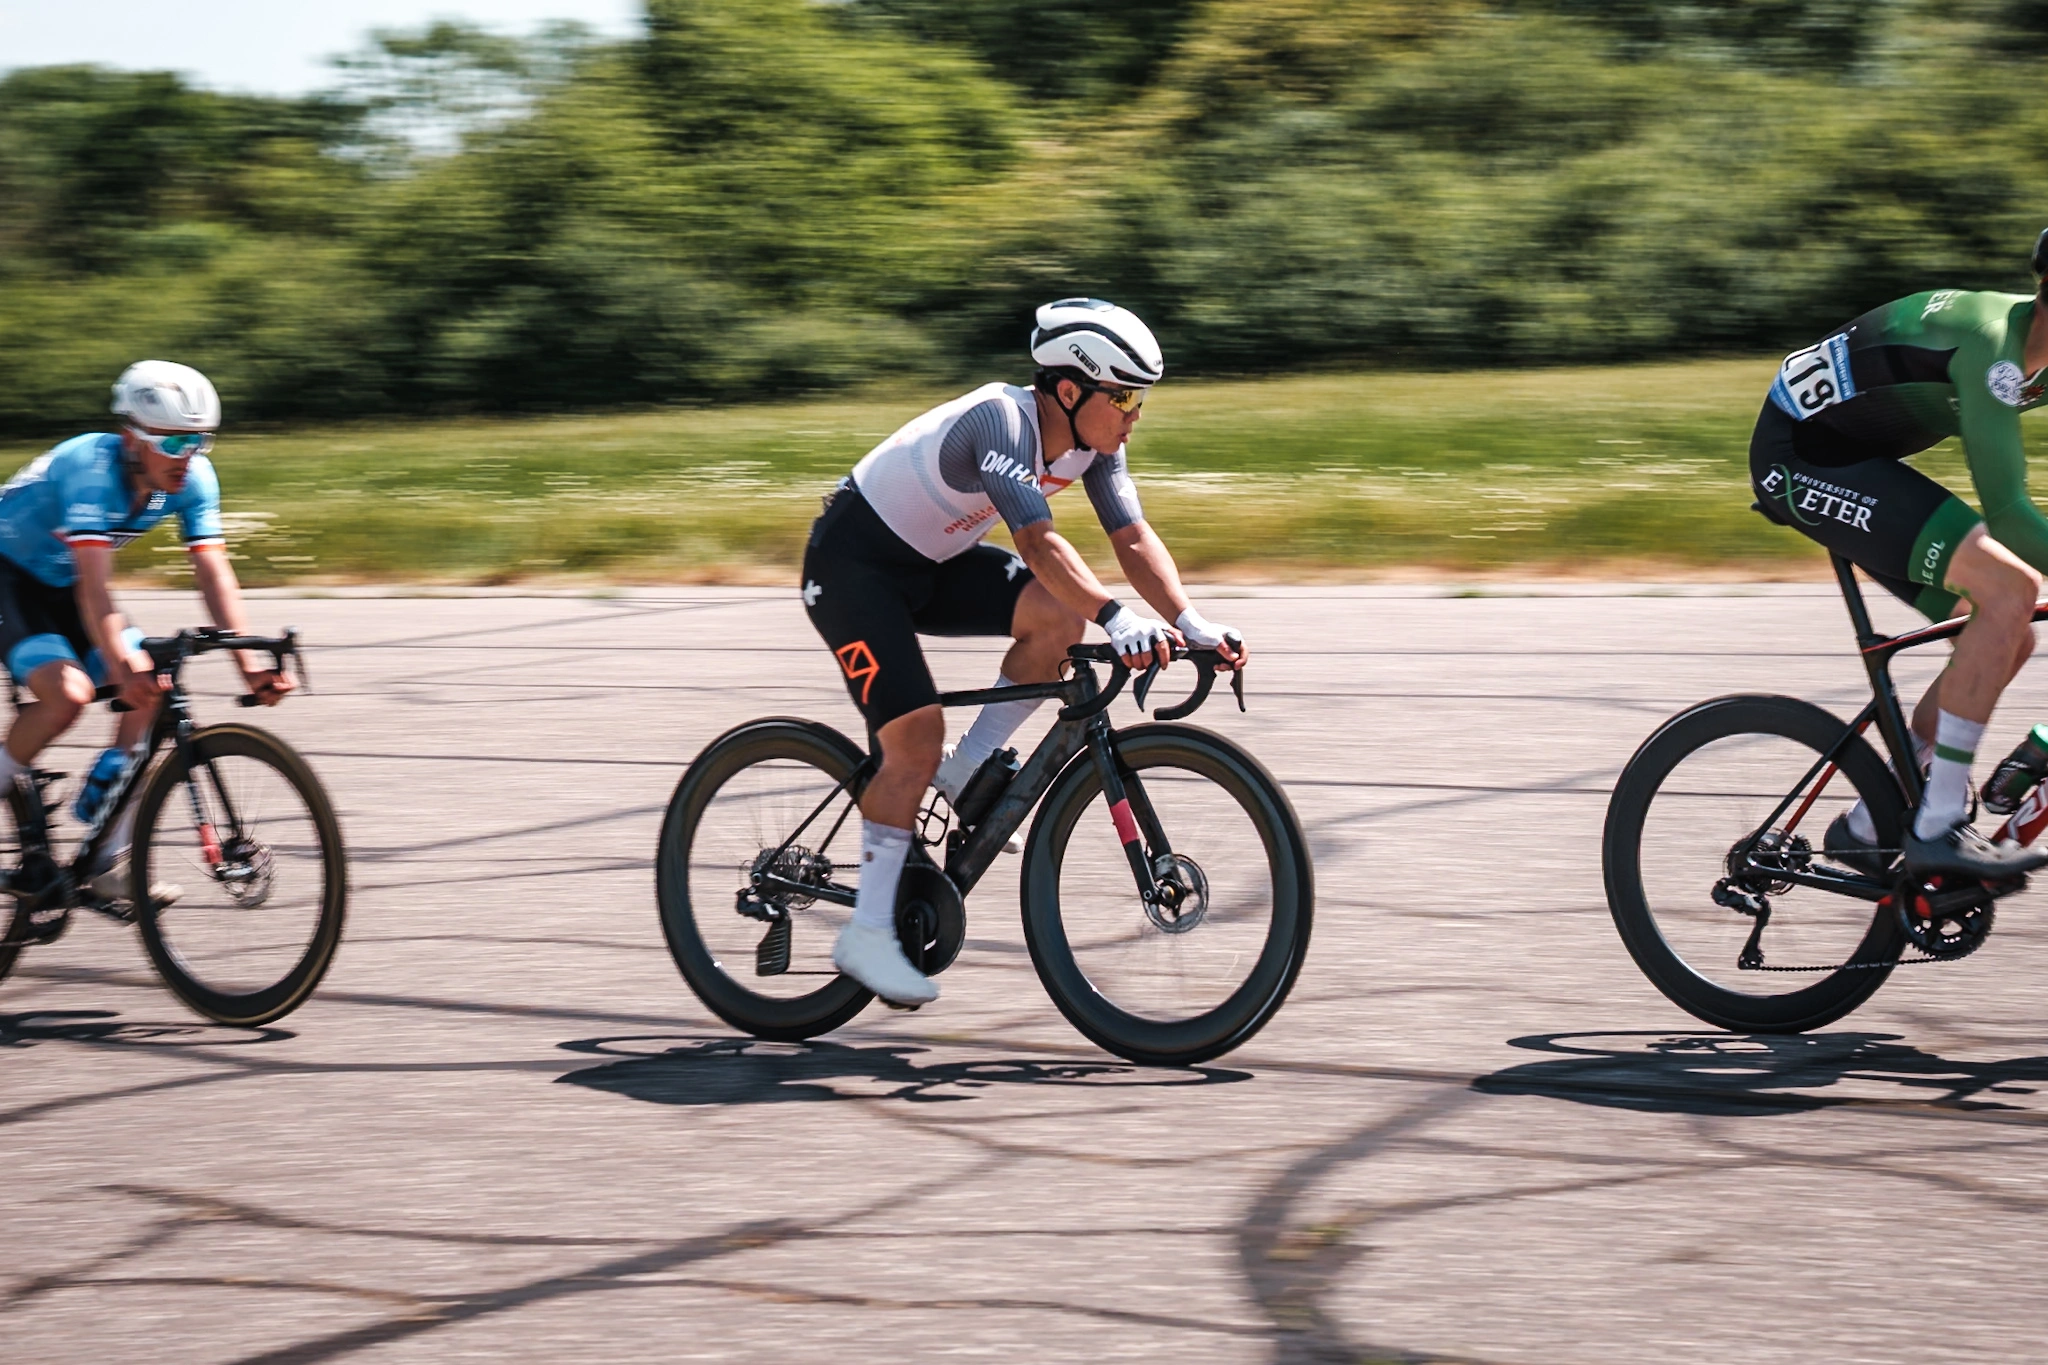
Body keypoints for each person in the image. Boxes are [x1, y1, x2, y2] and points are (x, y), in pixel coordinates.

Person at [801, 298, 1246, 1006]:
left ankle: (964, 774)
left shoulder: (1093, 442)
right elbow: (1038, 542)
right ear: (1070, 390)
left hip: (934, 562)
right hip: (856, 569)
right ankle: (867, 932)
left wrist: (1191, 621)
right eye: (1126, 395)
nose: (1136, 414)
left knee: (1056, 621)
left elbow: (1130, 537)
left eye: (1143, 397)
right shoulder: (1000, 422)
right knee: (914, 736)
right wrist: (1113, 613)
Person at [1752, 236, 2048, 879]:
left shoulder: (2039, 359)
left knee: (2007, 633)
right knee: (2008, 591)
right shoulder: (1993, 345)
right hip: (1800, 458)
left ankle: (1865, 826)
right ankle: (1937, 822)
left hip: (1858, 459)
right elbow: (2009, 514)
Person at [0, 360, 291, 928]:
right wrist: (119, 660)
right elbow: (95, 589)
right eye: (176, 441)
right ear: (133, 437)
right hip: (6, 576)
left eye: (201, 441)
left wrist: (250, 664)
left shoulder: (192, 477)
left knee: (152, 689)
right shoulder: (90, 467)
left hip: (63, 585)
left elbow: (214, 573)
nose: (189, 455)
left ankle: (108, 855)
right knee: (69, 696)